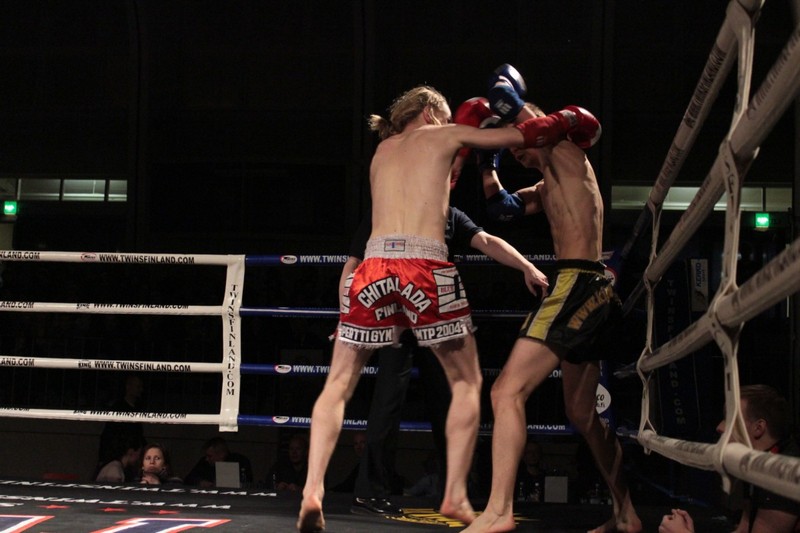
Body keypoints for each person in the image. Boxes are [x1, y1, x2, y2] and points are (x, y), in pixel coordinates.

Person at [296, 84, 559, 532]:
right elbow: (523, 136)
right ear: (432, 112)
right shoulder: (444, 134)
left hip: (374, 267)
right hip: (424, 265)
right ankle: (455, 493)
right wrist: (539, 116)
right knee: (467, 381)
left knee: (338, 384)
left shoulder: (381, 152)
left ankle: (312, 491)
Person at [462, 64, 642, 533]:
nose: (515, 151)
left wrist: (505, 111)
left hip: (577, 283)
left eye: (517, 141)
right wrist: (487, 163)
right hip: (592, 289)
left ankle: (499, 512)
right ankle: (627, 513)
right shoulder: (547, 183)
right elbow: (502, 210)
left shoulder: (563, 150)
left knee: (505, 391)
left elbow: (525, 111)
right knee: (582, 413)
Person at [344, 203, 548, 516]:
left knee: (449, 402)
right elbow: (354, 262)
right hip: (396, 311)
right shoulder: (388, 207)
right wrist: (348, 312)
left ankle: (456, 491)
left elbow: (487, 241)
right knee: (387, 401)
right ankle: (370, 492)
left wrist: (526, 266)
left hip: (439, 314)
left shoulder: (448, 214)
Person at [661, 384, 799, 533]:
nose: (720, 427)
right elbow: (743, 529)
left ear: (758, 428)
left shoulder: (781, 473)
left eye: (730, 418)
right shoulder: (754, 460)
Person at [97, 374, 145, 481]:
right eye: (138, 386)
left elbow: (139, 434)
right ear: (128, 386)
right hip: (118, 456)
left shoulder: (137, 409)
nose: (141, 390)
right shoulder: (118, 408)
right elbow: (108, 433)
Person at [184, 436, 253, 488]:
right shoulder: (204, 463)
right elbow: (188, 479)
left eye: (210, 456)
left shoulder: (239, 461)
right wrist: (200, 482)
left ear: (221, 454)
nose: (207, 459)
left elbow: (248, 484)